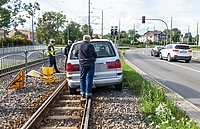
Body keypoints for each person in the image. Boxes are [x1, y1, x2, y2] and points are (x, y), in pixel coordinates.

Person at [74, 35, 97, 99]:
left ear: (83, 39)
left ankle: (82, 93)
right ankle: (88, 93)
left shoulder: (78, 46)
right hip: (90, 64)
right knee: (89, 79)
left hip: (82, 64)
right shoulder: (90, 46)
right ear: (89, 40)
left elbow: (75, 54)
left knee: (82, 78)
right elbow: (95, 55)